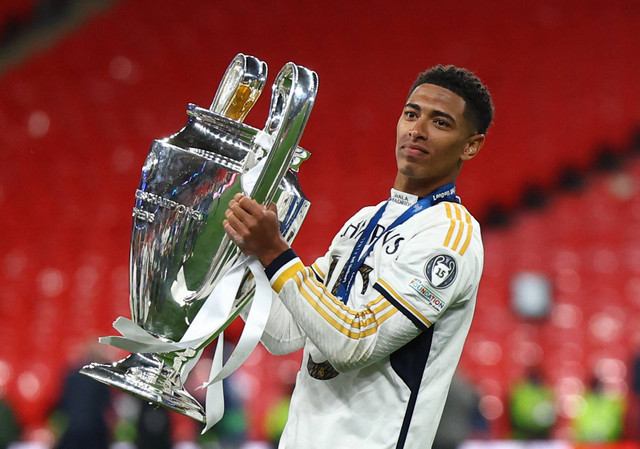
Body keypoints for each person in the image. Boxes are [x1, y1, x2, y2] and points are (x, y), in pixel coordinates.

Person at [223, 65, 494, 449]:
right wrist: (239, 255)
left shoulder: (450, 236)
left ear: (471, 145)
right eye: (411, 114)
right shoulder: (365, 220)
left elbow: (354, 342)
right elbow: (284, 334)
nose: (417, 130)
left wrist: (273, 251)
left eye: (441, 122)